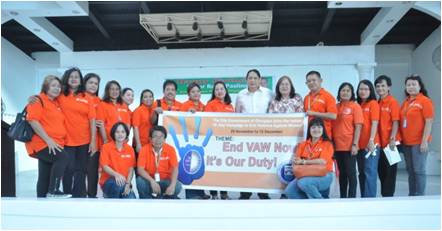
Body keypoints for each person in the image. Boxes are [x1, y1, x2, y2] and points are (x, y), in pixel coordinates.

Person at [25, 75, 70, 198]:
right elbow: (33, 121)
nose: (57, 88)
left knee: (45, 174)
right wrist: (48, 140)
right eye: (53, 85)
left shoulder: (56, 103)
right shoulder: (38, 100)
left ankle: (42, 203)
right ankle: (54, 190)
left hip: (54, 142)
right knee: (63, 158)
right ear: (46, 87)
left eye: (59, 86)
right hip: (42, 143)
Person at [235, 69, 273, 200]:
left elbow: (273, 112)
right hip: (245, 136)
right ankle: (245, 192)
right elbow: (237, 115)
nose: (252, 80)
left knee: (262, 164)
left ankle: (263, 192)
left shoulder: (268, 93)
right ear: (246, 80)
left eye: (255, 78)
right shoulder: (240, 95)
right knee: (246, 164)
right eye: (250, 78)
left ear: (259, 79)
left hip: (264, 135)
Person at [400, 75, 434, 196]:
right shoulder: (405, 102)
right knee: (411, 171)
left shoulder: (425, 101)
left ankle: (420, 196)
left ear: (420, 86)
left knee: (419, 171)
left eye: (414, 84)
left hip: (419, 142)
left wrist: (424, 141)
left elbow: (429, 121)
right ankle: (412, 195)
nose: (411, 87)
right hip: (406, 143)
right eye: (408, 84)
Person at [285, 117, 334, 199]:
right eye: (313, 127)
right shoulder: (303, 144)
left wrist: (304, 162)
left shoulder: (327, 144)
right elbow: (296, 161)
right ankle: (309, 207)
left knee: (303, 183)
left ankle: (321, 204)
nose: (316, 130)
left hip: (325, 175)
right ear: (309, 129)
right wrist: (295, 160)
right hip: (306, 174)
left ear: (323, 129)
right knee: (289, 191)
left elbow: (322, 161)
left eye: (319, 127)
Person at [204, 81, 234, 199]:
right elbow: (207, 123)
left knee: (224, 167)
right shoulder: (210, 105)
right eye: (217, 89)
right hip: (213, 141)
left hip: (227, 142)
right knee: (214, 166)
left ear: (225, 90)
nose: (219, 91)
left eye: (222, 89)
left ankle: (224, 193)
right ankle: (214, 193)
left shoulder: (230, 106)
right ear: (214, 92)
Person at [332, 82, 363, 198]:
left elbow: (358, 126)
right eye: (343, 90)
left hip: (350, 146)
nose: (345, 92)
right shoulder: (335, 107)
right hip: (337, 146)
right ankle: (343, 197)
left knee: (351, 173)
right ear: (339, 92)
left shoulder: (355, 106)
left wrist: (355, 144)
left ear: (352, 93)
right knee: (342, 174)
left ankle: (352, 197)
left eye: (348, 90)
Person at [179, 82, 209, 199]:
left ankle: (200, 193)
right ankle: (192, 194)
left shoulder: (203, 106)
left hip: (200, 141)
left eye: (197, 91)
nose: (196, 94)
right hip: (189, 141)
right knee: (190, 166)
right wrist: (187, 114)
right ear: (188, 94)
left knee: (199, 165)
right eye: (193, 92)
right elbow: (179, 120)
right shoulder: (185, 105)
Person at [136, 126, 182, 199]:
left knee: (177, 186)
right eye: (155, 136)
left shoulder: (170, 149)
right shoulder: (144, 149)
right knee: (140, 181)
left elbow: (175, 168)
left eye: (161, 137)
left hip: (165, 180)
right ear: (150, 139)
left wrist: (172, 185)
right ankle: (147, 202)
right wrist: (152, 181)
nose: (158, 140)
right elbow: (140, 169)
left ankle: (162, 198)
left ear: (164, 139)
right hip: (150, 180)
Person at [375, 75, 401, 197]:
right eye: (378, 86)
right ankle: (384, 196)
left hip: (391, 144)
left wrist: (392, 139)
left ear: (388, 87)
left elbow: (396, 121)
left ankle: (388, 197)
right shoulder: (377, 103)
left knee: (390, 173)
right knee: (382, 172)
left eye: (383, 86)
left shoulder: (393, 102)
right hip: (379, 144)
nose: (380, 88)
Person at [356, 80, 380, 198]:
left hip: (371, 145)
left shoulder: (373, 103)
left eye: (366, 89)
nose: (363, 91)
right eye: (361, 89)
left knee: (370, 172)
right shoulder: (358, 105)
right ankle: (364, 198)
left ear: (370, 91)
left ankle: (370, 199)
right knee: (362, 173)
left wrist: (371, 140)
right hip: (359, 145)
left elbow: (375, 123)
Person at [99, 122, 136, 198]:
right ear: (113, 133)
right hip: (108, 181)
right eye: (117, 132)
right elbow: (105, 166)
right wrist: (116, 175)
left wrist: (128, 184)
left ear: (126, 134)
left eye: (123, 132)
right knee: (119, 186)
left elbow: (131, 170)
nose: (120, 134)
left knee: (131, 198)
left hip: (125, 183)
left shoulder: (130, 149)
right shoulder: (106, 147)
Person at [303, 71, 337, 139]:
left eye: (314, 80)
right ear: (306, 83)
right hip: (309, 136)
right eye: (309, 81)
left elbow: (333, 116)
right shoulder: (306, 98)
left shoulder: (328, 96)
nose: (311, 83)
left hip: (324, 135)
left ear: (320, 81)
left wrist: (314, 113)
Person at [84, 73, 102, 198]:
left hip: (95, 140)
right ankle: (77, 194)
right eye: (91, 82)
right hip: (78, 140)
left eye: (96, 83)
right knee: (78, 170)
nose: (93, 85)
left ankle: (92, 195)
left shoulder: (99, 101)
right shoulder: (78, 97)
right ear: (84, 83)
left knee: (92, 170)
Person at [96, 80, 132, 145]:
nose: (114, 91)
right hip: (108, 141)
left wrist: (126, 137)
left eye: (117, 89)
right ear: (107, 91)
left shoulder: (123, 105)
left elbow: (127, 124)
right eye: (112, 89)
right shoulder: (102, 105)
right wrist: (105, 140)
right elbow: (101, 125)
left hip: (122, 142)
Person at [133, 89, 155, 153]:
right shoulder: (138, 111)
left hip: (151, 145)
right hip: (141, 145)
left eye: (150, 96)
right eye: (145, 97)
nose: (148, 98)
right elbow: (135, 128)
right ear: (142, 99)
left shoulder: (154, 110)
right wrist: (138, 144)